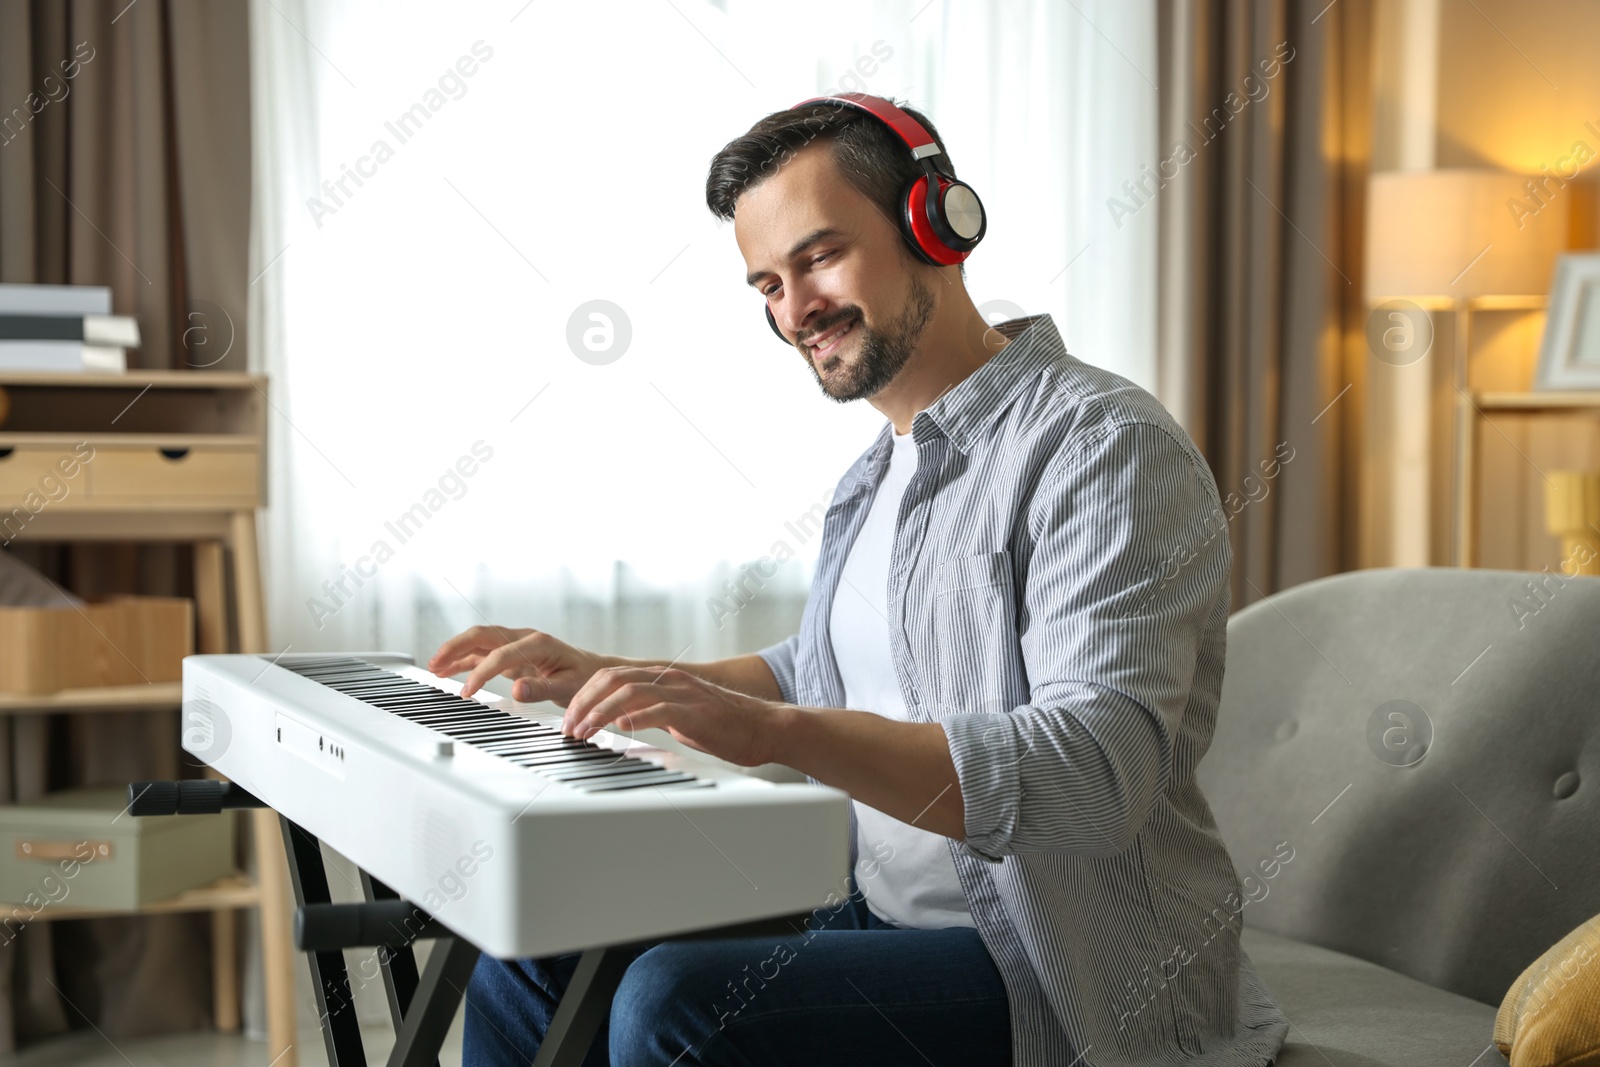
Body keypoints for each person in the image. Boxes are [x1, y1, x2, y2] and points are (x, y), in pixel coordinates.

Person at [434, 94, 1289, 1067]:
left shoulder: (1100, 447)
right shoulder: (876, 473)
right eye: (765, 283)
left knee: (675, 1004)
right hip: (879, 910)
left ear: (935, 221)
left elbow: (1095, 774)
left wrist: (774, 735)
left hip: (1060, 964)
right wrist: (613, 671)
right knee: (539, 946)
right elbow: (822, 669)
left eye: (818, 257)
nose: (794, 311)